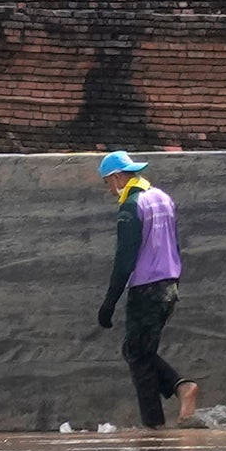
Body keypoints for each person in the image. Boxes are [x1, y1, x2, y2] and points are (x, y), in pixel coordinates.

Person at [92, 149, 185, 427]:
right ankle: (162, 413)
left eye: (107, 182)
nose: (109, 189)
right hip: (170, 284)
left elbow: (125, 258)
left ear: (117, 177)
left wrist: (109, 302)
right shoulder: (163, 198)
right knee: (140, 352)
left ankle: (172, 400)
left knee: (136, 354)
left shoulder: (132, 205)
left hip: (146, 287)